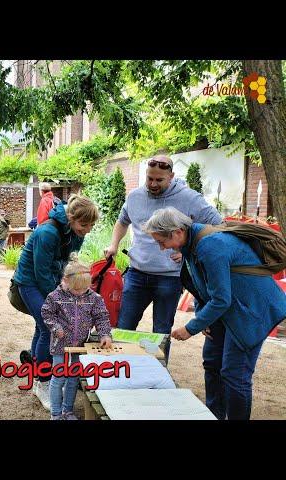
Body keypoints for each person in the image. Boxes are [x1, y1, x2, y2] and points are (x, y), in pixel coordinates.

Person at [142, 207, 286, 420]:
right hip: (230, 308)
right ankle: (214, 415)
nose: (161, 248)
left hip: (252, 311)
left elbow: (220, 299)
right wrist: (204, 317)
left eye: (162, 241)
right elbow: (204, 287)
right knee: (212, 362)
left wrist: (191, 328)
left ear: (178, 231)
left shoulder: (210, 245)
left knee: (234, 374)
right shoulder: (191, 245)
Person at [104, 155, 222, 358]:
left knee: (161, 330)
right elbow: (122, 221)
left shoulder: (189, 198)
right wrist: (114, 244)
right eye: (149, 178)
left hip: (169, 278)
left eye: (159, 180)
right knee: (124, 325)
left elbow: (217, 225)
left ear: (172, 176)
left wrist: (188, 251)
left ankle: (158, 372)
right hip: (137, 273)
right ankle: (118, 369)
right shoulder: (135, 197)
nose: (153, 184)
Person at [13, 194, 99, 410]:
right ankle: (43, 384)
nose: (87, 229)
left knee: (41, 328)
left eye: (91, 225)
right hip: (30, 281)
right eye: (84, 224)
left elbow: (67, 261)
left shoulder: (76, 231)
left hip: (49, 278)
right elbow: (41, 272)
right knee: (49, 328)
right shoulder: (48, 232)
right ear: (70, 217)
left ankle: (36, 371)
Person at [41, 253, 112, 420]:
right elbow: (46, 313)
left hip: (80, 346)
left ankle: (68, 411)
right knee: (58, 379)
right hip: (60, 346)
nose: (81, 292)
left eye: (84, 288)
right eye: (76, 289)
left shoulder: (94, 299)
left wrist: (105, 334)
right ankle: (56, 414)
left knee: (73, 379)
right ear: (65, 281)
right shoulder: (55, 297)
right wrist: (55, 327)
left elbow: (101, 316)